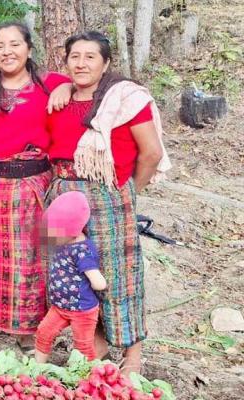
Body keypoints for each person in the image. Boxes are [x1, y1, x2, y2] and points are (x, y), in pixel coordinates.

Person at [46, 31, 170, 375]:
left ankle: (132, 359)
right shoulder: (59, 97)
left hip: (107, 196)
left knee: (118, 276)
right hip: (62, 193)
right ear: (66, 60)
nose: (81, 63)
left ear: (106, 63)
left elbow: (151, 153)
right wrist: (63, 88)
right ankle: (92, 351)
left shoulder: (127, 100)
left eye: (90, 56)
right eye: (75, 56)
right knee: (72, 274)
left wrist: (126, 192)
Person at [0, 21, 73, 351]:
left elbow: (88, 86)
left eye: (14, 44)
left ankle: (29, 327)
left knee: (31, 259)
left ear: (29, 49)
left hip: (30, 187)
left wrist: (66, 89)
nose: (7, 52)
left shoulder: (51, 84)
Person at [35, 191, 107, 363]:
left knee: (83, 346)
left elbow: (98, 282)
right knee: (43, 333)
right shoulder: (61, 243)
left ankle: (84, 376)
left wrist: (100, 283)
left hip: (82, 309)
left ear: (72, 231)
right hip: (59, 306)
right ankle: (36, 368)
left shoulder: (82, 251)